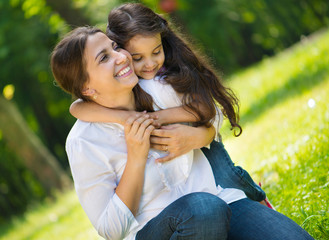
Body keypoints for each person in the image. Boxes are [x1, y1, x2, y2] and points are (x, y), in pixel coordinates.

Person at [51, 26, 314, 240]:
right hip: (158, 231)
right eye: (104, 57)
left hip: (223, 201)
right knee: (203, 210)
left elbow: (212, 110)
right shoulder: (84, 142)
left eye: (115, 46)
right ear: (87, 88)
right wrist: (136, 156)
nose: (121, 56)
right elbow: (111, 230)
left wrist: (201, 136)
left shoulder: (155, 86)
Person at [69, 3, 266, 203]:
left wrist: (160, 119)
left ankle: (257, 198)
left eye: (156, 52)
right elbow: (76, 107)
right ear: (121, 51)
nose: (150, 64)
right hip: (186, 177)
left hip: (205, 148)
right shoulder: (123, 82)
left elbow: (207, 109)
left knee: (230, 178)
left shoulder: (169, 77)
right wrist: (124, 117)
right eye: (137, 58)